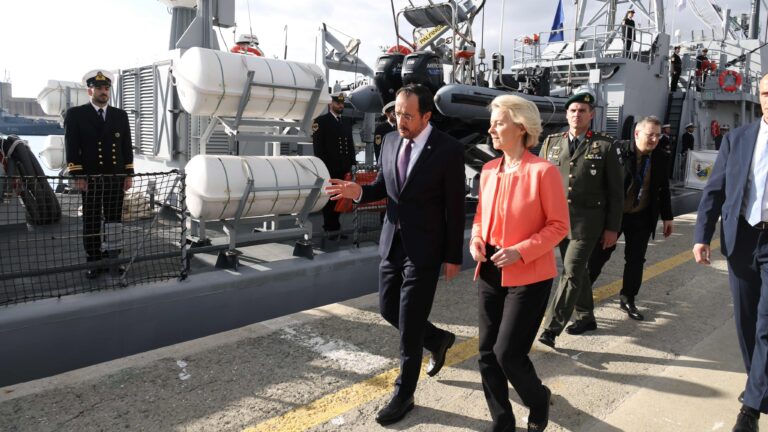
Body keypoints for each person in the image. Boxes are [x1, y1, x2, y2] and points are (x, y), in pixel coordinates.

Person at [325, 84, 465, 425]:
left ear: (426, 116)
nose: (399, 120)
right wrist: (360, 191)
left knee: (409, 325)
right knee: (388, 309)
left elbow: (455, 206)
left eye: (407, 115)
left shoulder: (447, 149)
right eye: (396, 113)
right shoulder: (389, 141)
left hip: (426, 248)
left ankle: (405, 394)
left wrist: (453, 256)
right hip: (392, 241)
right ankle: (439, 339)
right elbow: (385, 187)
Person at [471, 94, 569, 432]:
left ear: (521, 127)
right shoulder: (487, 170)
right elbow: (481, 216)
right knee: (486, 354)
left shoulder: (544, 172)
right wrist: (476, 239)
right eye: (493, 123)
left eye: (498, 123)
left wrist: (521, 250)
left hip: (529, 273)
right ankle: (502, 422)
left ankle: (538, 400)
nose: (492, 129)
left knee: (508, 354)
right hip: (491, 270)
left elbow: (559, 226)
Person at [693, 73, 768, 432]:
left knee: (767, 324)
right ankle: (760, 386)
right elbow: (715, 190)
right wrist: (701, 236)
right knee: (746, 322)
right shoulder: (738, 139)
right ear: (759, 97)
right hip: (742, 239)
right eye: (767, 93)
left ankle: (750, 408)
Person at [537, 92, 624, 348]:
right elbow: (540, 183)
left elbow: (616, 192)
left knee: (571, 272)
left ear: (592, 114)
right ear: (567, 114)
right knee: (579, 272)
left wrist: (612, 229)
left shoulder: (606, 145)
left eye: (583, 110)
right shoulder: (551, 143)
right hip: (557, 221)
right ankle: (586, 317)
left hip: (588, 223)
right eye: (573, 110)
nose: (577, 114)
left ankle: (551, 327)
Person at [587, 116, 673, 321]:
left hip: (641, 215)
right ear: (636, 133)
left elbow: (663, 188)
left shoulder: (661, 156)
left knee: (636, 260)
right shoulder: (617, 151)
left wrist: (668, 217)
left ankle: (628, 299)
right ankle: (580, 294)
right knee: (599, 255)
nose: (654, 139)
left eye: (657, 135)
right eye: (649, 134)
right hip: (613, 216)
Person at [64, 69, 133, 279]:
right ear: (90, 90)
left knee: (114, 219)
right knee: (92, 219)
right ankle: (94, 260)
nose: (104, 92)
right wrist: (78, 176)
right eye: (99, 88)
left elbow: (126, 147)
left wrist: (128, 174)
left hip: (116, 177)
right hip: (91, 179)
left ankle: (113, 259)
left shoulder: (119, 115)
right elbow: (72, 146)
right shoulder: (76, 114)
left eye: (106, 88)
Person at [312, 92, 356, 239]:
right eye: (338, 103)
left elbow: (350, 145)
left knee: (341, 198)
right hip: (329, 168)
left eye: (342, 103)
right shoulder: (321, 121)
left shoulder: (346, 122)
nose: (341, 106)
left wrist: (353, 164)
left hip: (344, 167)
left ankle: (336, 227)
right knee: (330, 199)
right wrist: (322, 168)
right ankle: (329, 228)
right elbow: (318, 148)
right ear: (331, 104)